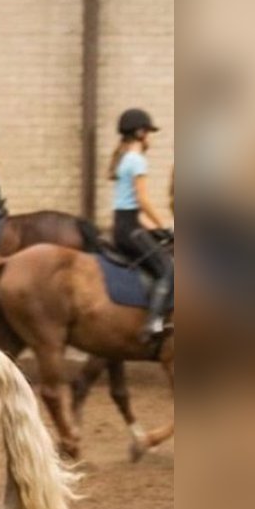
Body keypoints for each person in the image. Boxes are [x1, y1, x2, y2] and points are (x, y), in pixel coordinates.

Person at [109, 107, 174, 340]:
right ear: (139, 133)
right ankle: (153, 323)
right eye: (148, 132)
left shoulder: (126, 158)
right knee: (168, 269)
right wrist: (164, 225)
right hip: (130, 230)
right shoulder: (137, 161)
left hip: (126, 225)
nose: (150, 138)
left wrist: (156, 230)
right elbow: (142, 200)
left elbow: (132, 210)